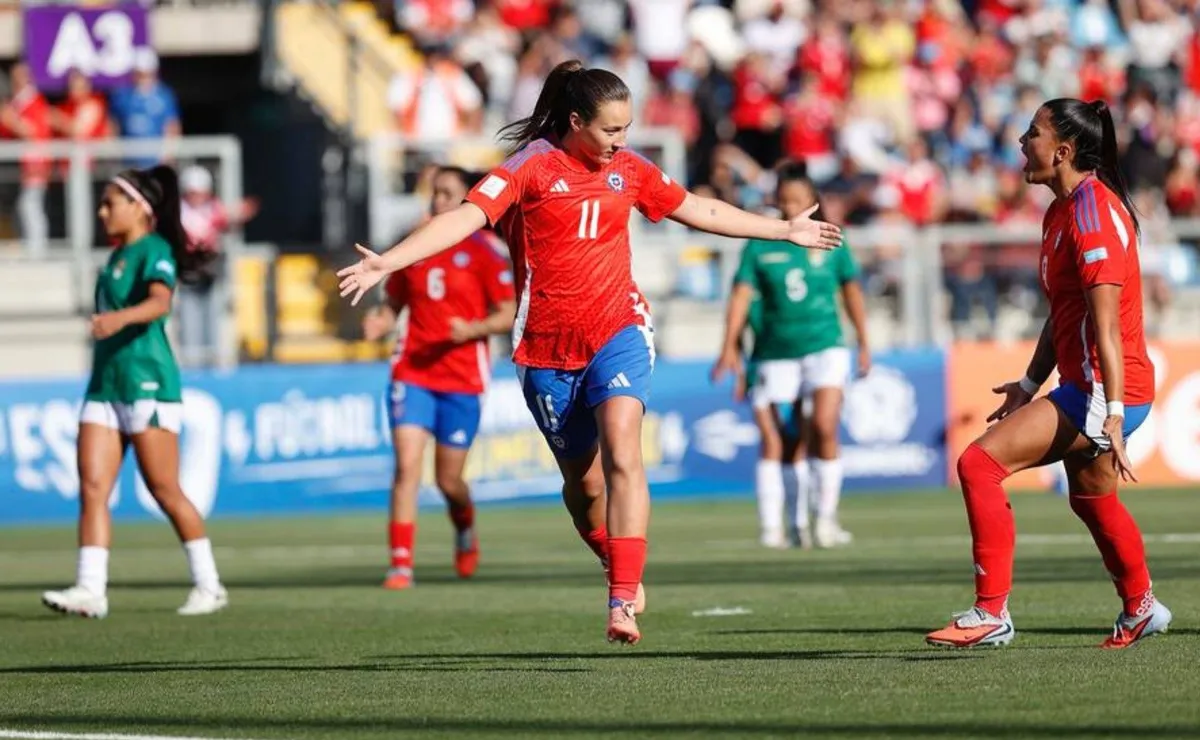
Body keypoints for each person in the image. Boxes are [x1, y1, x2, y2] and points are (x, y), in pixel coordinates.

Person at [337, 59, 841, 644]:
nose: (620, 142)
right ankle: (610, 553)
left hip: (618, 331)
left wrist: (783, 230)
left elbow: (697, 210)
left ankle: (622, 599)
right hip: (545, 351)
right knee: (587, 488)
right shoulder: (526, 170)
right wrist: (389, 260)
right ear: (575, 121)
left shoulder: (630, 168)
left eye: (626, 129)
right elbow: (465, 219)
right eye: (609, 130)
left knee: (625, 453)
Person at [926, 99, 1171, 650]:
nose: (1021, 141)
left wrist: (1110, 413)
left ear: (1062, 151)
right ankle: (1141, 607)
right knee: (1091, 499)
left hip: (1107, 390)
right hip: (1091, 387)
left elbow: (1105, 327)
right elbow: (1063, 315)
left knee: (978, 465)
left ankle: (991, 613)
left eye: (1031, 133)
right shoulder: (1060, 210)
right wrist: (1030, 383)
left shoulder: (1091, 214)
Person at [41, 165, 228, 619]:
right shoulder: (117, 255)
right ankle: (91, 588)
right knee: (92, 487)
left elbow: (161, 302)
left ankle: (209, 584)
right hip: (106, 383)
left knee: (165, 490)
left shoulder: (155, 249)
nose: (103, 211)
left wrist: (118, 320)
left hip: (148, 381)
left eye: (111, 202)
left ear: (140, 209)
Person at [361, 166, 516, 590]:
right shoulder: (414, 245)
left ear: (469, 200)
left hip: (463, 378)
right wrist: (381, 320)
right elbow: (394, 304)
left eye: (449, 194)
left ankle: (464, 527)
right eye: (436, 193)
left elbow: (507, 313)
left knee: (449, 480)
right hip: (412, 370)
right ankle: (400, 565)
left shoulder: (485, 252)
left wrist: (472, 330)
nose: (439, 202)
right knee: (407, 467)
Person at [713, 162, 870, 551]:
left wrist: (864, 340)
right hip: (774, 352)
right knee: (782, 440)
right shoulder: (761, 241)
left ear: (812, 201)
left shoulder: (832, 238)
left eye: (797, 200)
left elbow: (850, 290)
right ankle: (781, 525)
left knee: (825, 425)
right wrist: (729, 347)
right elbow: (740, 297)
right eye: (784, 201)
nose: (790, 207)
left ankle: (825, 519)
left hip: (825, 344)